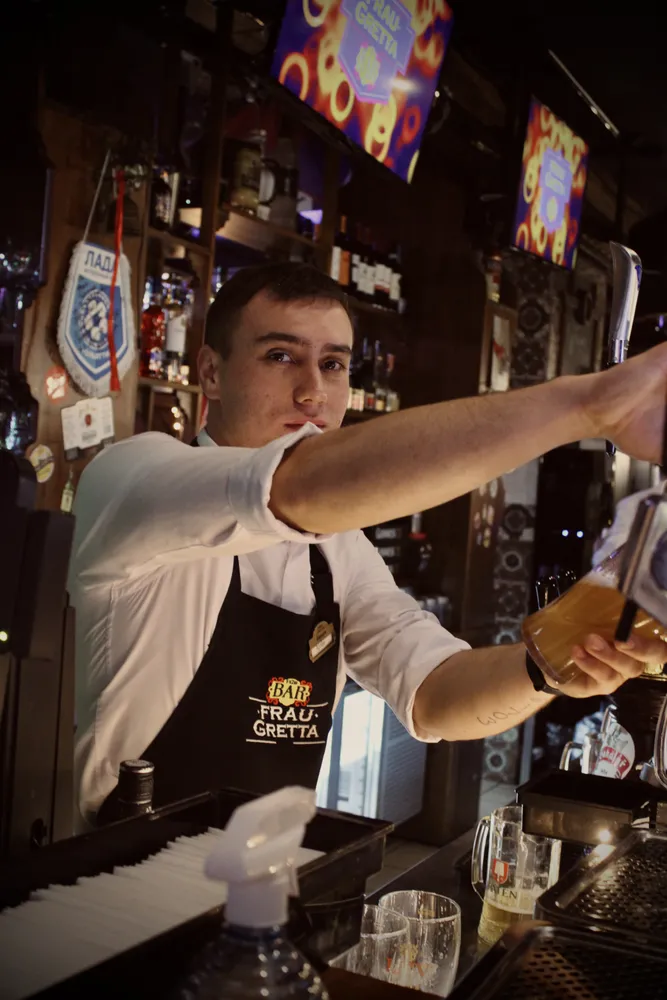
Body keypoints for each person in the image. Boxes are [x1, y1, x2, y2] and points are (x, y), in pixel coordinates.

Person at [69, 262, 667, 826]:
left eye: (332, 364)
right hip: (120, 883)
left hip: (266, 884)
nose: (312, 393)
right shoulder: (133, 479)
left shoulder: (337, 549)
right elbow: (303, 483)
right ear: (209, 373)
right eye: (280, 356)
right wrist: (588, 405)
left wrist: (551, 667)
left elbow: (435, 693)